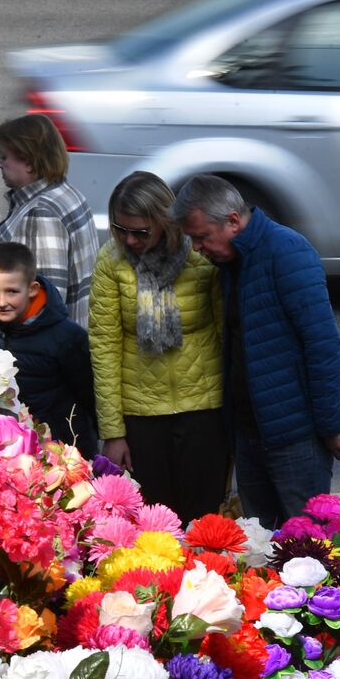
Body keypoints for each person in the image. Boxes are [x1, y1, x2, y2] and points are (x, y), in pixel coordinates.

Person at [171, 174, 340, 529]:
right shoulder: (231, 261)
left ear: (233, 221)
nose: (196, 248)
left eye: (202, 237)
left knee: (307, 545)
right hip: (249, 434)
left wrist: (330, 425)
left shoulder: (288, 251)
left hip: (296, 436)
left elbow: (322, 345)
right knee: (258, 546)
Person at [89, 171, 226, 523]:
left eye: (141, 232)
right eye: (120, 229)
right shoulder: (111, 261)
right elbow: (104, 347)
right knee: (151, 525)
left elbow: (225, 333)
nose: (129, 240)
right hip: (141, 416)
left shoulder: (201, 256)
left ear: (165, 223)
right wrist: (113, 433)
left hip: (204, 409)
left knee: (204, 521)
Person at [0, 114, 99, 344]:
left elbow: (44, 311)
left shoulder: (41, 214)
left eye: (4, 156)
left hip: (19, 361)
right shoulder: (65, 194)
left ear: (30, 162)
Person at [0, 241, 98, 457]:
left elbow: (90, 396)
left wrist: (101, 444)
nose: (2, 302)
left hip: (57, 447)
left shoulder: (66, 337)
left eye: (12, 292)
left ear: (32, 289)